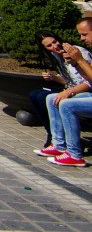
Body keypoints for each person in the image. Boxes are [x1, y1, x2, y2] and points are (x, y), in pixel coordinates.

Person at [43, 18, 92, 167]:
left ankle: (75, 154)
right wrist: (76, 64)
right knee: (52, 98)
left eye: (84, 34)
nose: (81, 38)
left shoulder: (82, 52)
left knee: (67, 105)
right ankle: (59, 145)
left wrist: (80, 60)